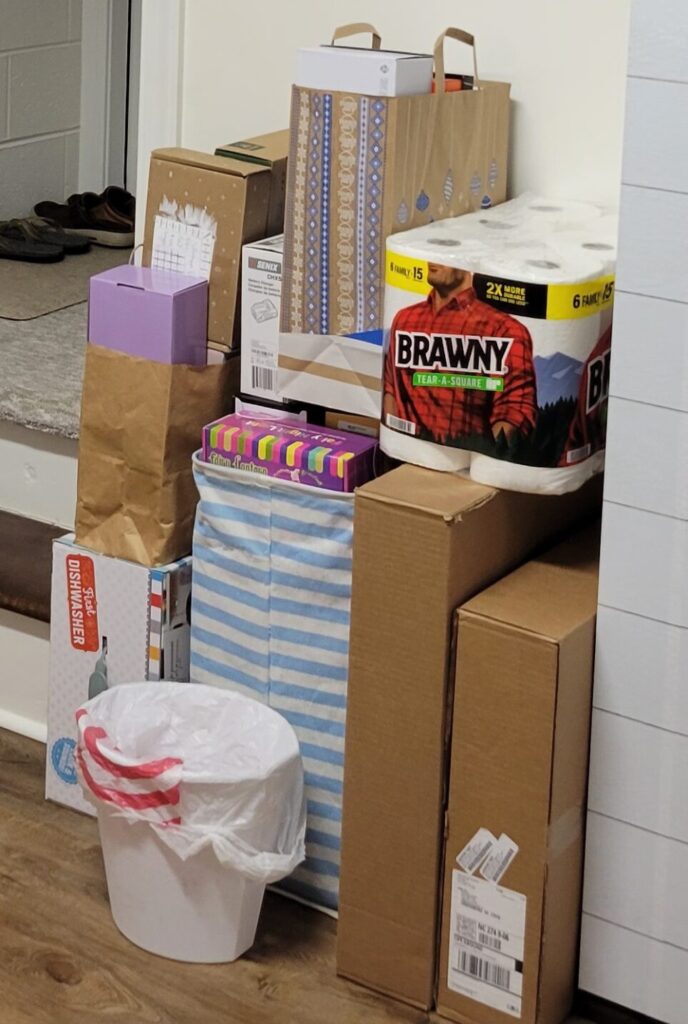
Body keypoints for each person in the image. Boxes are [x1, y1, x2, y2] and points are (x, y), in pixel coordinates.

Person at [383, 262, 537, 447]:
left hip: (474, 462)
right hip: (407, 453)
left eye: (443, 256)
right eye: (431, 253)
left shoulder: (504, 330)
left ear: (467, 262)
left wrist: (489, 454)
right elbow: (391, 386)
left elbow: (515, 409)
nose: (433, 261)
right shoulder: (404, 320)